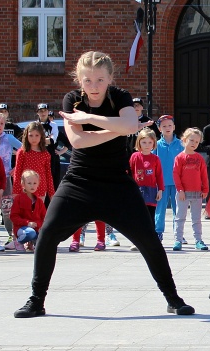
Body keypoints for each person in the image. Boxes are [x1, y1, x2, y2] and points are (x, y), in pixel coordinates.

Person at [13, 50, 193, 318]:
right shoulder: (72, 99)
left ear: (110, 78)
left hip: (116, 183)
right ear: (79, 80)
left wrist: (89, 119)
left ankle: (173, 298)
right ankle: (36, 300)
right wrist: (118, 128)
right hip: (79, 182)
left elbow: (130, 125)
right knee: (48, 235)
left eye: (99, 80)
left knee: (148, 239)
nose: (94, 86)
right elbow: (79, 141)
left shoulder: (119, 97)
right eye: (87, 80)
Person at [172, 128, 209, 251]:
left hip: (197, 192)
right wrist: (180, 190)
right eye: (191, 140)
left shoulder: (199, 158)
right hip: (183, 193)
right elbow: (176, 174)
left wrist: (205, 189)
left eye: (197, 142)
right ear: (184, 140)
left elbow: (204, 174)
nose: (194, 143)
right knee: (180, 217)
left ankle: (198, 240)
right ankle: (178, 240)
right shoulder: (179, 157)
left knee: (196, 218)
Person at [0, 112, 22, 248]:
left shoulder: (8, 138)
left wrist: (16, 167)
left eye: (2, 123)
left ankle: (11, 236)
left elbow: (24, 150)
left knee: (7, 208)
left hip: (5, 178)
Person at [129, 128, 163, 252]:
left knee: (150, 217)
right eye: (144, 142)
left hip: (151, 191)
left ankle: (150, 242)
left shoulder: (156, 159)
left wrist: (160, 190)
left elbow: (159, 175)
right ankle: (136, 242)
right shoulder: (135, 157)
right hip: (137, 191)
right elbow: (130, 173)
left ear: (154, 143)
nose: (147, 145)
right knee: (137, 217)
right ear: (139, 143)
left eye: (150, 142)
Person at [153, 115, 182, 242]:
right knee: (160, 209)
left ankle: (178, 233)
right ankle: (158, 232)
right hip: (161, 183)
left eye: (170, 125)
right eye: (164, 126)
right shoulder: (156, 145)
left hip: (177, 183)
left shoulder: (181, 144)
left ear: (174, 127)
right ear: (159, 129)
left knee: (178, 209)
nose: (167, 128)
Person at [12, 122, 55, 204]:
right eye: (31, 135)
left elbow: (48, 174)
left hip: (41, 188)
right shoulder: (22, 152)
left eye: (37, 135)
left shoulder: (45, 154)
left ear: (41, 136)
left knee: (38, 211)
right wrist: (16, 191)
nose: (34, 138)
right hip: (25, 188)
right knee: (25, 210)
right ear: (26, 136)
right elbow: (17, 172)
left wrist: (51, 193)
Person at [10, 170, 46, 253]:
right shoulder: (18, 199)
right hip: (21, 228)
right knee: (30, 233)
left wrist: (38, 224)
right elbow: (13, 216)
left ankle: (31, 243)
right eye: (29, 183)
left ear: (38, 184)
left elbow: (44, 217)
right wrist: (27, 223)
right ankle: (18, 242)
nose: (32, 186)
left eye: (35, 183)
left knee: (45, 235)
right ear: (23, 184)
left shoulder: (39, 201)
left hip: (36, 228)